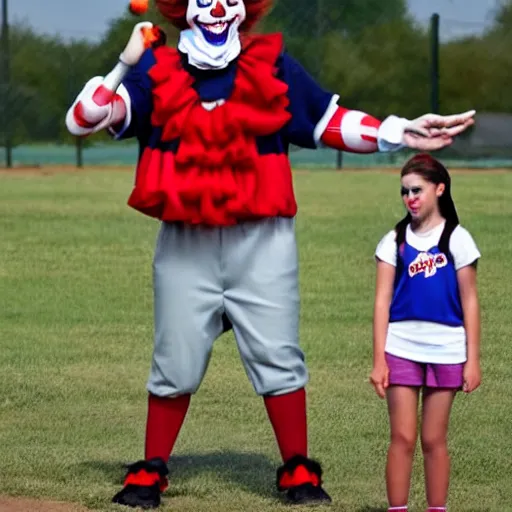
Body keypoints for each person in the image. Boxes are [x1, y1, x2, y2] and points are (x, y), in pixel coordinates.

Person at [65, 0, 476, 508]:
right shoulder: (156, 69)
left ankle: (296, 467)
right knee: (175, 356)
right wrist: (126, 63)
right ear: (181, 8)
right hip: (185, 240)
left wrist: (397, 131)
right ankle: (151, 467)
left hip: (263, 239)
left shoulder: (274, 65)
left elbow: (327, 121)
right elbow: (83, 120)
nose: (217, 7)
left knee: (278, 353)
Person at [370, 153, 482, 512]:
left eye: (417, 190)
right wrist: (378, 360)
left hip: (448, 349)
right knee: (402, 436)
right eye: (404, 192)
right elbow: (381, 303)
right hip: (401, 347)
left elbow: (470, 302)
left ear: (439, 188)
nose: (410, 198)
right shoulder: (393, 241)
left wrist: (472, 360)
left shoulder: (458, 239)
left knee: (434, 439)